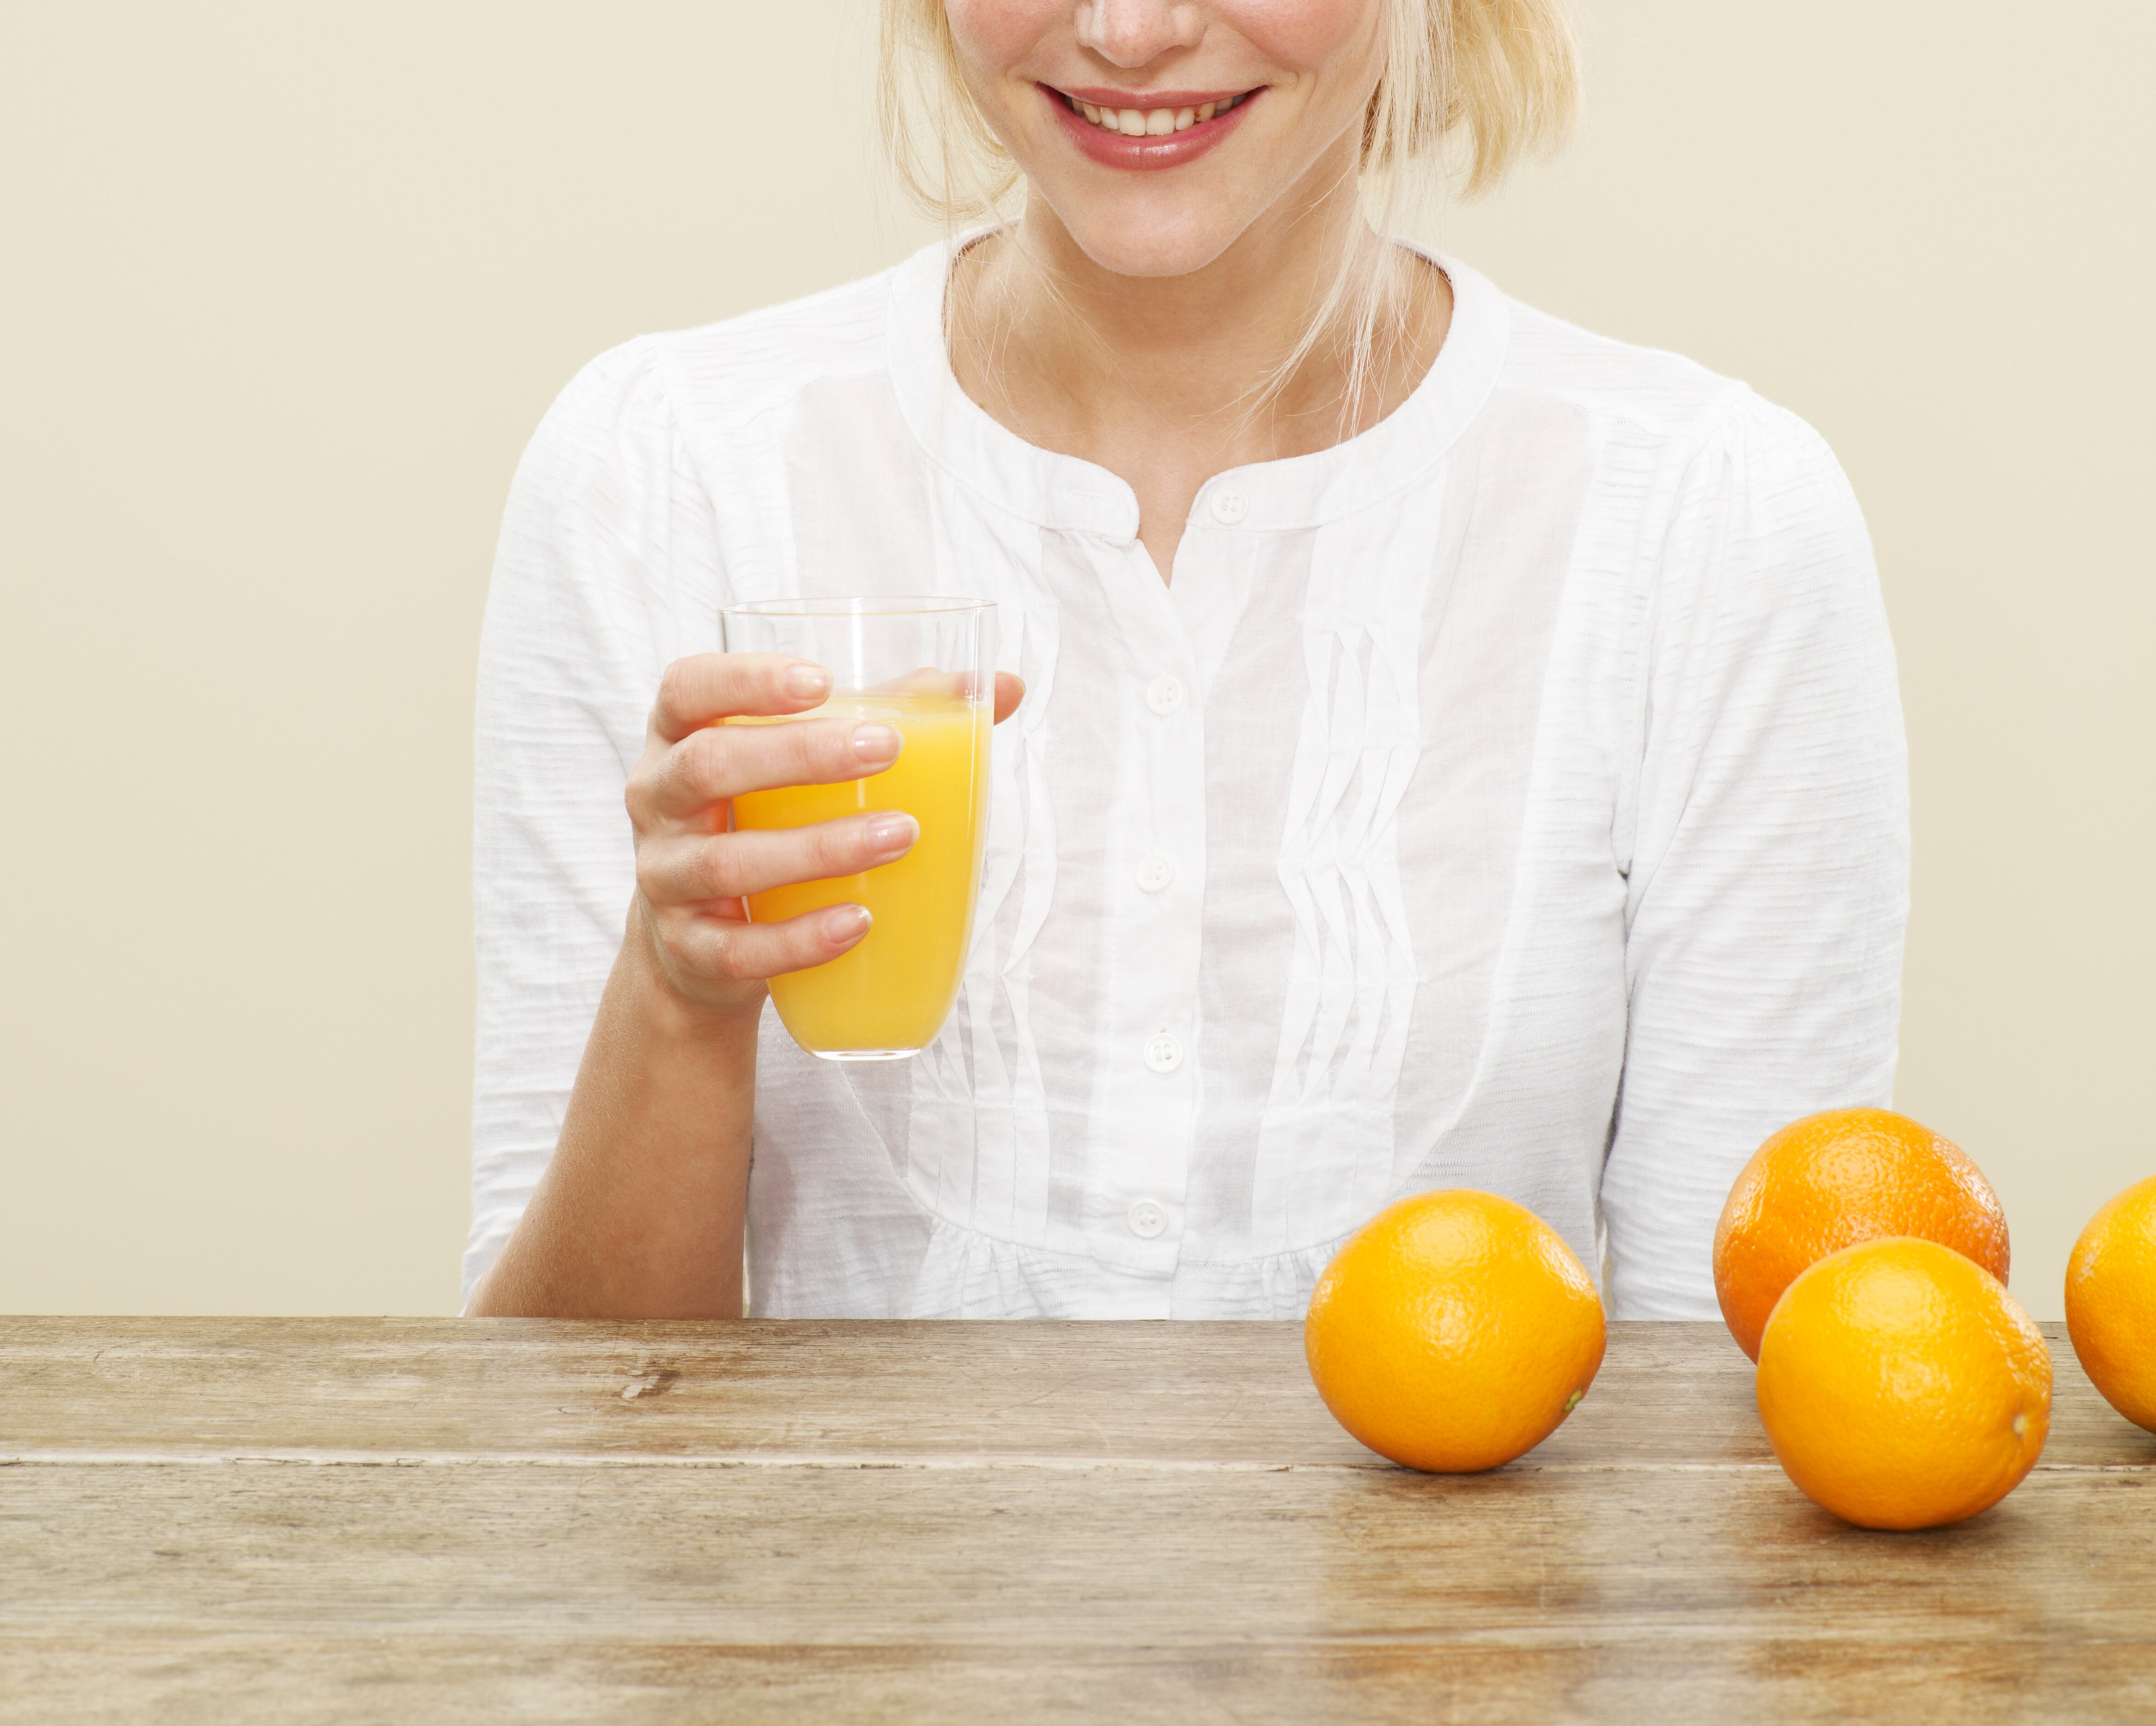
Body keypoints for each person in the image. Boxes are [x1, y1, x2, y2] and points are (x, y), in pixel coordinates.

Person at [463, 0, 1906, 1321]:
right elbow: (552, 1459)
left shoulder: (1705, 520)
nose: (1129, 31)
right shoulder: (667, 471)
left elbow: (1730, 1427)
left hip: (1455, 1620)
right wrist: (679, 992)